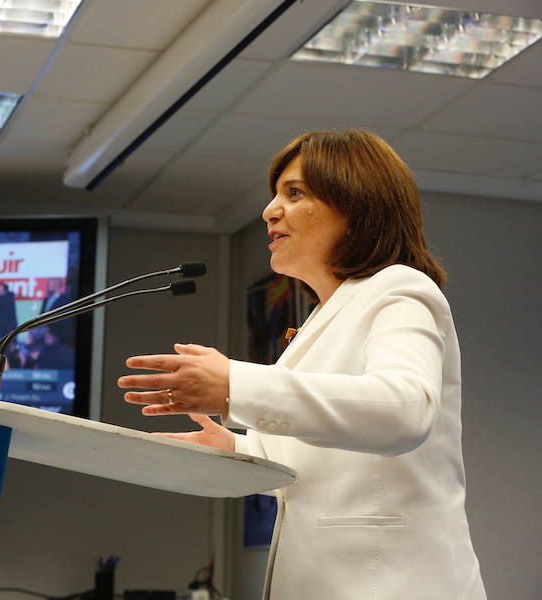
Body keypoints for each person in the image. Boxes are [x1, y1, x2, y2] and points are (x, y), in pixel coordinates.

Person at [118, 130, 486, 599]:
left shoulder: (400, 290)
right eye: (276, 195)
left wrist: (235, 385)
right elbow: (335, 462)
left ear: (357, 204)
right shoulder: (323, 318)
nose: (269, 211)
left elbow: (403, 411)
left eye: (295, 193)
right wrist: (240, 450)